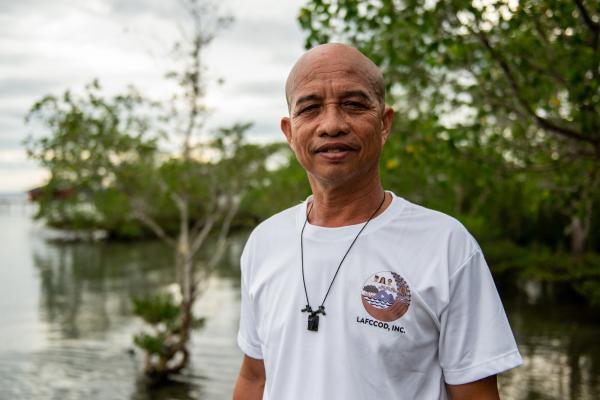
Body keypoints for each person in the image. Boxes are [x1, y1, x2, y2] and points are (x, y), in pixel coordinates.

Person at [232, 43, 522, 400]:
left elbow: (474, 394)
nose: (333, 125)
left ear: (384, 123)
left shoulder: (446, 245)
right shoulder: (264, 241)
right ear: (290, 133)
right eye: (310, 108)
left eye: (354, 105)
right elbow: (254, 377)